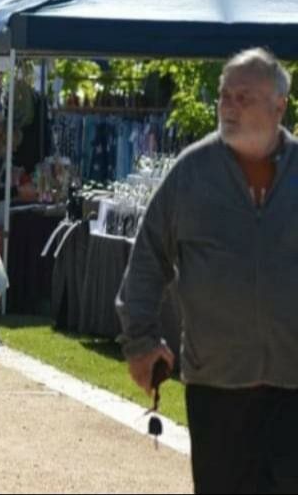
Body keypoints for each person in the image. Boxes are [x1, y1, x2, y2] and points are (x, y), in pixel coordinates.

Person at [117, 48, 298, 494]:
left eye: (244, 98)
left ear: (279, 107)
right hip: (217, 385)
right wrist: (139, 341)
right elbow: (147, 258)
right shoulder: (192, 173)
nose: (230, 108)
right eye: (224, 97)